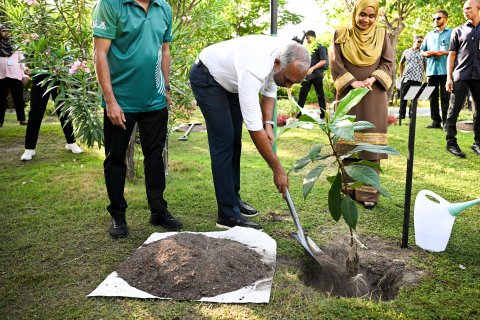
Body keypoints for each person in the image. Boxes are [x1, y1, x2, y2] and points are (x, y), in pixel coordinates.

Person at [189, 35, 310, 230]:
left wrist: (269, 124)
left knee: (235, 140)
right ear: (278, 64)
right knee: (224, 141)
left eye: (294, 83)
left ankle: (233, 199)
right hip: (208, 77)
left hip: (230, 82)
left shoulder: (281, 54)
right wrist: (277, 169)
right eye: (288, 80)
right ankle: (227, 215)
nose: (289, 86)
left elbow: (271, 89)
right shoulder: (253, 68)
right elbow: (254, 128)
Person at [93, 0, 182, 238]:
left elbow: (164, 50)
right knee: (115, 158)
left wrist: (167, 87)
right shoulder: (111, 5)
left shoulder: (163, 8)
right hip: (121, 101)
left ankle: (158, 210)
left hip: (154, 98)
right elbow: (100, 53)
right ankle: (118, 216)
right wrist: (110, 100)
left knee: (155, 155)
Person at [330, 0, 393, 209]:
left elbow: (388, 63)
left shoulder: (382, 35)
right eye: (362, 15)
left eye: (371, 15)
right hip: (348, 95)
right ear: (355, 13)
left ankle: (368, 194)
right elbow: (335, 62)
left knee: (371, 148)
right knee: (348, 145)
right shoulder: (340, 34)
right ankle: (348, 190)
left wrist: (374, 78)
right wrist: (351, 82)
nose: (366, 20)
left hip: (373, 95)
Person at [444, 0, 480, 158]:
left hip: (479, 76)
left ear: (478, 9)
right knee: (453, 110)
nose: (465, 11)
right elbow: (451, 56)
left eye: (468, 8)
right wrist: (448, 78)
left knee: (479, 112)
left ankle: (478, 143)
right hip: (460, 75)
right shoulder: (458, 31)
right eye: (464, 9)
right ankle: (451, 142)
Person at [421, 10, 453, 129]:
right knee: (432, 98)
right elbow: (421, 51)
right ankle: (436, 122)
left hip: (446, 72)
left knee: (446, 98)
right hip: (431, 71)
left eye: (438, 18)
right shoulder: (429, 34)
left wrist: (443, 53)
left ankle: (446, 122)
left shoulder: (452, 32)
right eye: (434, 19)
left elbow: (457, 51)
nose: (435, 21)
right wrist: (426, 54)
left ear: (446, 19)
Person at [0, 24, 29, 127]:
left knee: (18, 98)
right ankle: (0, 121)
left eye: (8, 30)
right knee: (1, 98)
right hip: (1, 75)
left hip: (15, 75)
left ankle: (22, 119)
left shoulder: (16, 45)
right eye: (4, 30)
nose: (6, 32)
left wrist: (25, 73)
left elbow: (22, 60)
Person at [296, 30, 328, 119]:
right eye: (305, 38)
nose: (306, 40)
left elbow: (323, 61)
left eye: (308, 38)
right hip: (307, 76)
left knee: (320, 95)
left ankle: (323, 115)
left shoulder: (320, 47)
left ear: (313, 37)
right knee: (302, 95)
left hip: (317, 75)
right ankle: (299, 114)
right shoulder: (306, 49)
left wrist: (312, 68)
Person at [398, 35, 425, 123]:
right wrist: (401, 75)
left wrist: (425, 77)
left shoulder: (423, 53)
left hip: (417, 79)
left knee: (414, 99)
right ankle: (401, 115)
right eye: (419, 41)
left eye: (421, 42)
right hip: (406, 78)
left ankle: (412, 115)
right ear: (414, 41)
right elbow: (401, 63)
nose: (420, 43)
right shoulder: (406, 51)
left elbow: (425, 65)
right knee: (403, 97)